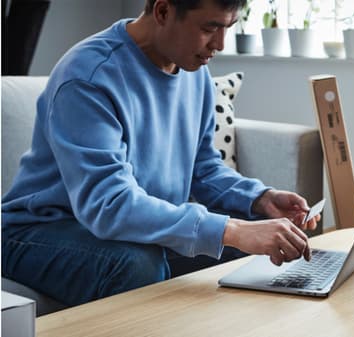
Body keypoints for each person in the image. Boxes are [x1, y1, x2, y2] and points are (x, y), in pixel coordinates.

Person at [1, 0, 319, 307]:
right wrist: (231, 230)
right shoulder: (88, 77)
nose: (220, 44)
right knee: (137, 264)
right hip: (35, 233)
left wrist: (260, 200)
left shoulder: (195, 76)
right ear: (164, 11)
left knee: (250, 247)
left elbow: (204, 170)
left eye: (228, 28)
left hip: (129, 229)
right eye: (210, 28)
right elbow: (109, 205)